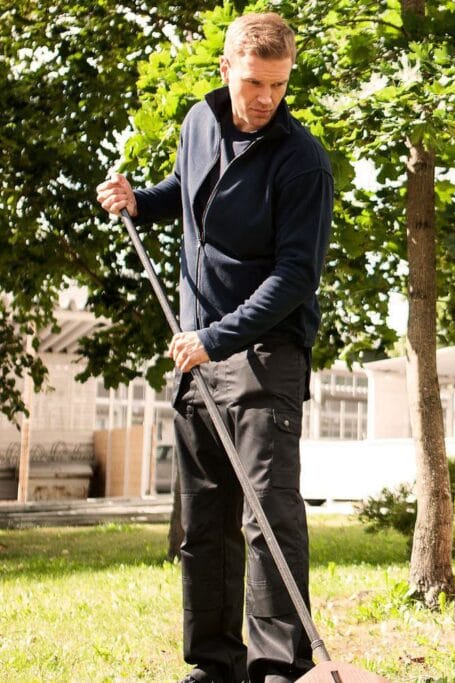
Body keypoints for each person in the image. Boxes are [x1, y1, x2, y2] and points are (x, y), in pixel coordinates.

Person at [96, 13, 333, 683]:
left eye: (278, 87)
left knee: (268, 517)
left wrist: (215, 338)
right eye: (254, 82)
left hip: (263, 355)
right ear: (227, 68)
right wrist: (139, 201)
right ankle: (215, 663)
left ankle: (281, 666)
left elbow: (296, 276)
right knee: (204, 520)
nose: (264, 99)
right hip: (196, 352)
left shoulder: (301, 160)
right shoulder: (199, 125)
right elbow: (187, 198)